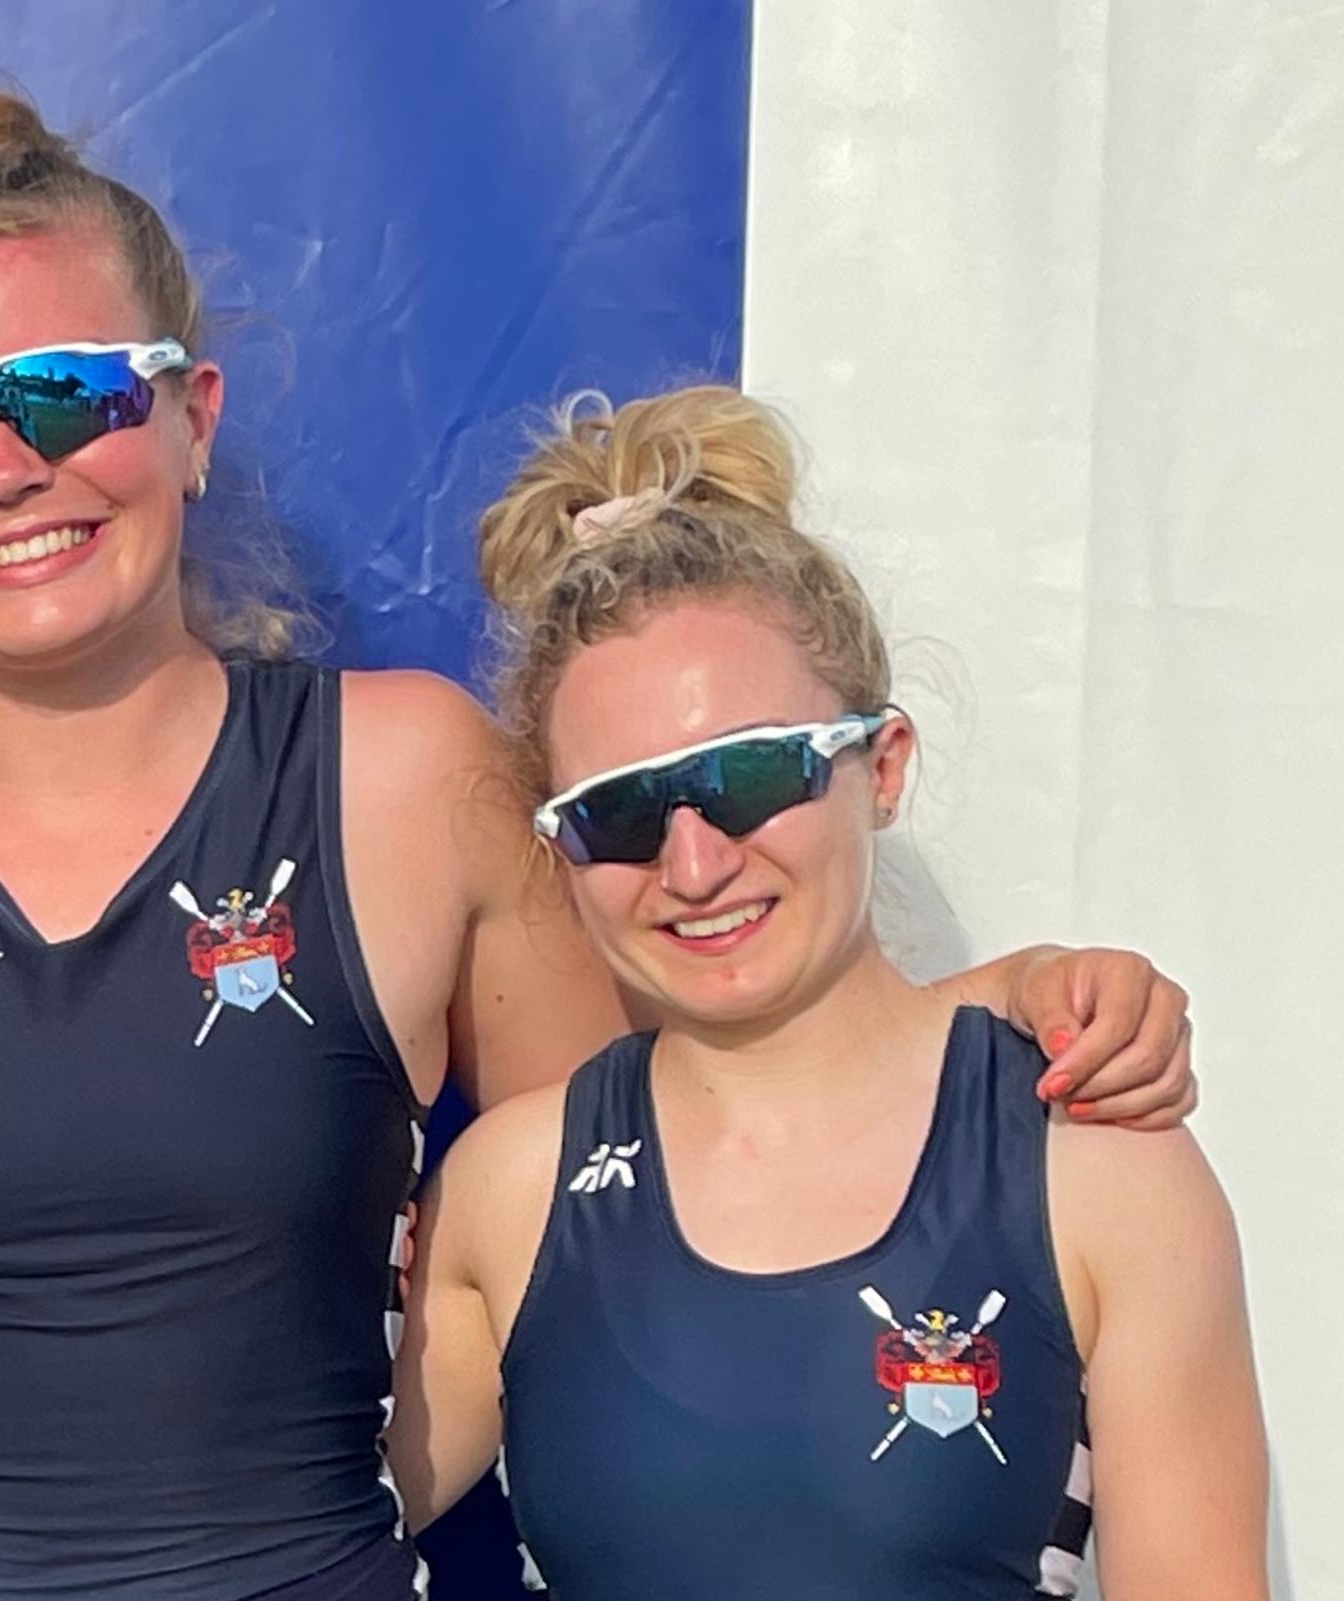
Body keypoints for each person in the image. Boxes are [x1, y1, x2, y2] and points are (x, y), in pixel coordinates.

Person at [0, 92, 1204, 1601]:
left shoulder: (405, 780)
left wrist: (1011, 1009)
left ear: (191, 415)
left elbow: (671, 1140)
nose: (5, 470)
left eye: (63, 394)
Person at [357, 386, 1271, 1597]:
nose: (695, 863)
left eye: (747, 777)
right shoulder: (512, 1190)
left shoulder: (1099, 1168)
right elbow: (280, 1529)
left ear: (880, 765)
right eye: (621, 810)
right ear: (558, 845)